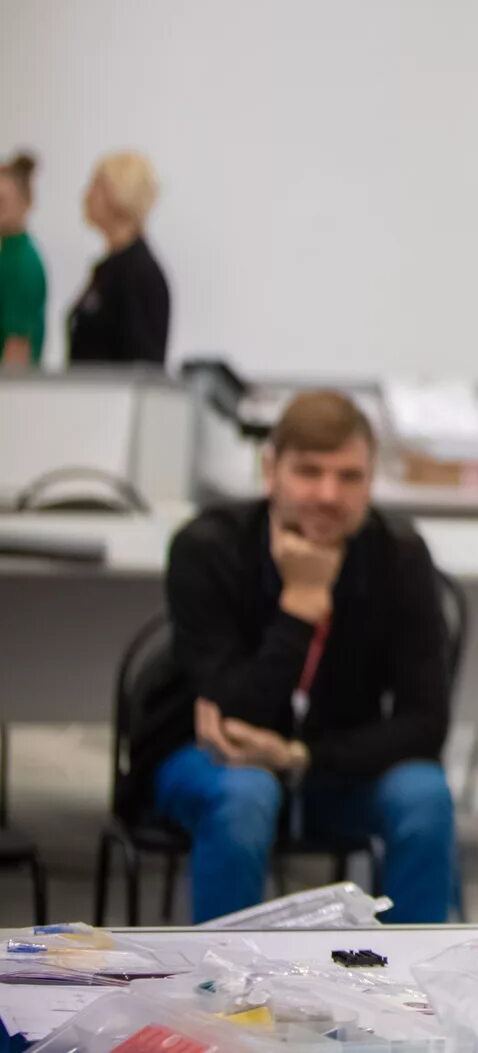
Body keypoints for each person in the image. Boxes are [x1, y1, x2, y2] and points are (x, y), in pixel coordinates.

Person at [133, 391, 454, 923]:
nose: (329, 494)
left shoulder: (398, 554)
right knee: (246, 794)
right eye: (309, 472)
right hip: (208, 759)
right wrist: (301, 606)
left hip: (331, 764)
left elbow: (426, 725)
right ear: (270, 471)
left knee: (423, 795)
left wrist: (298, 757)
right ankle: (225, 991)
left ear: (371, 482)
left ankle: (413, 991)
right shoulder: (208, 547)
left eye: (349, 476)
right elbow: (236, 715)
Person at [68, 151, 171, 365]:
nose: (86, 196)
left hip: (108, 397)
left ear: (119, 193)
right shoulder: (107, 269)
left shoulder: (140, 274)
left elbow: (143, 365)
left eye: (96, 187)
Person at [0, 152, 47, 368]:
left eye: (2, 202)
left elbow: (18, 349)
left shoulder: (22, 263)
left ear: (25, 202)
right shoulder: (7, 253)